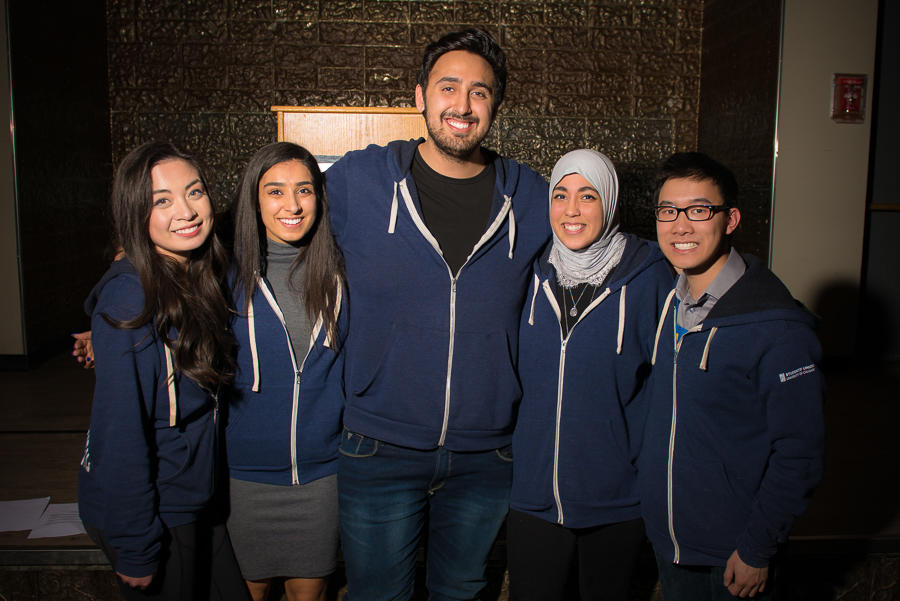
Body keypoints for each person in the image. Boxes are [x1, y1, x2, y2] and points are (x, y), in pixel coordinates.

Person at [324, 28, 550, 600]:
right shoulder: (359, 180)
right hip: (378, 445)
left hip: (487, 452)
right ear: (420, 95)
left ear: (496, 106)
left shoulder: (532, 197)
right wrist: (140, 297)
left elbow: (614, 253)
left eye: (481, 91)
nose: (463, 104)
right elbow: (264, 227)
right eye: (449, 86)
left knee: (461, 592)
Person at [639, 152, 825, 600]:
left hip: (734, 554)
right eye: (668, 211)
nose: (681, 226)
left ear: (731, 218)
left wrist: (758, 548)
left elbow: (799, 451)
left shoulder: (776, 327)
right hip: (671, 543)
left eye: (699, 210)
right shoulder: (670, 303)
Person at [78, 141, 249, 600]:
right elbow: (119, 431)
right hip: (155, 508)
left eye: (194, 193)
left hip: (196, 495)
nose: (187, 211)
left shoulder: (199, 274)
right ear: (136, 214)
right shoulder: (131, 299)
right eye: (162, 201)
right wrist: (136, 544)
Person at [507, 149, 674, 601]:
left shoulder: (652, 276)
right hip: (532, 495)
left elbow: (670, 390)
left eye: (588, 196)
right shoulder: (527, 270)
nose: (572, 211)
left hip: (616, 497)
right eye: (560, 196)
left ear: (611, 202)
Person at [225, 142, 346, 601]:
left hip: (320, 480)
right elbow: (148, 279)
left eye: (304, 190)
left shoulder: (339, 275)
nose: (292, 205)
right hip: (243, 480)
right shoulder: (223, 273)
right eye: (274, 191)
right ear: (253, 200)